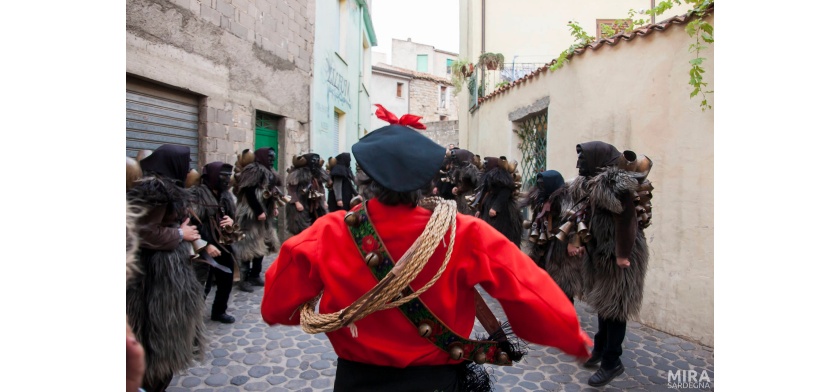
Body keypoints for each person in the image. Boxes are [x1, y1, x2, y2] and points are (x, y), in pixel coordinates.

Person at [261, 106, 591, 392]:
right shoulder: (464, 234)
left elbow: (277, 306)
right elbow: (529, 291)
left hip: (357, 380)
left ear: (364, 179)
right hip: (436, 381)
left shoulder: (329, 233)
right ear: (429, 182)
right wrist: (571, 337)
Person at [565, 141, 653, 387]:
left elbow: (627, 221)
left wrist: (622, 254)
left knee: (615, 310)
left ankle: (612, 362)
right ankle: (601, 349)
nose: (579, 162)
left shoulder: (615, 185)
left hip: (621, 257)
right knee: (603, 306)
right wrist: (579, 241)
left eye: (583, 158)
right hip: (601, 255)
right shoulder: (591, 184)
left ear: (597, 159)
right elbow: (583, 217)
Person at [126, 144, 207, 392]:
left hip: (163, 274)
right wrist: (181, 233)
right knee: (159, 345)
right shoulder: (158, 190)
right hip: (157, 278)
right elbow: (145, 232)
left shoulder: (162, 189)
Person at [523, 170, 585, 304]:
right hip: (544, 249)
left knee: (564, 291)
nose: (540, 187)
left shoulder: (567, 200)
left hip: (562, 252)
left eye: (543, 184)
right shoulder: (541, 200)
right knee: (545, 289)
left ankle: (565, 322)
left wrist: (573, 242)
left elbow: (575, 220)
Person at [190, 162, 238, 323]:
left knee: (226, 278)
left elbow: (233, 215)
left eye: (228, 176)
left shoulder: (226, 195)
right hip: (203, 246)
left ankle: (219, 311)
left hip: (223, 243)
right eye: (222, 175)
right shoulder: (197, 195)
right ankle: (192, 318)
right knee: (203, 283)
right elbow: (193, 223)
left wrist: (231, 220)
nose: (226, 179)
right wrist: (206, 245)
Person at [232, 147, 282, 293]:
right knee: (248, 247)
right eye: (270, 157)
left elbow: (270, 193)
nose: (272, 159)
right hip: (250, 216)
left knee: (262, 246)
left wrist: (273, 207)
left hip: (265, 217)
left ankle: (255, 275)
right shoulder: (254, 170)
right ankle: (244, 279)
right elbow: (249, 192)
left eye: (273, 157)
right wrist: (258, 211)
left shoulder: (270, 172)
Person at [474, 156, 523, 248]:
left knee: (500, 234)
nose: (484, 164)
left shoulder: (499, 175)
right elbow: (484, 193)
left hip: (502, 212)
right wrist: (480, 210)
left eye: (486, 162)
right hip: (489, 206)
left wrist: (496, 207)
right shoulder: (488, 175)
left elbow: (506, 191)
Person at [285, 153, 329, 234]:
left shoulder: (317, 173)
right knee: (301, 228)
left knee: (317, 224)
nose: (315, 162)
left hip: (315, 203)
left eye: (317, 160)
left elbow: (321, 188)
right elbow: (291, 190)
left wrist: (324, 201)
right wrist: (297, 203)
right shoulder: (298, 173)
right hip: (301, 202)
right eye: (313, 160)